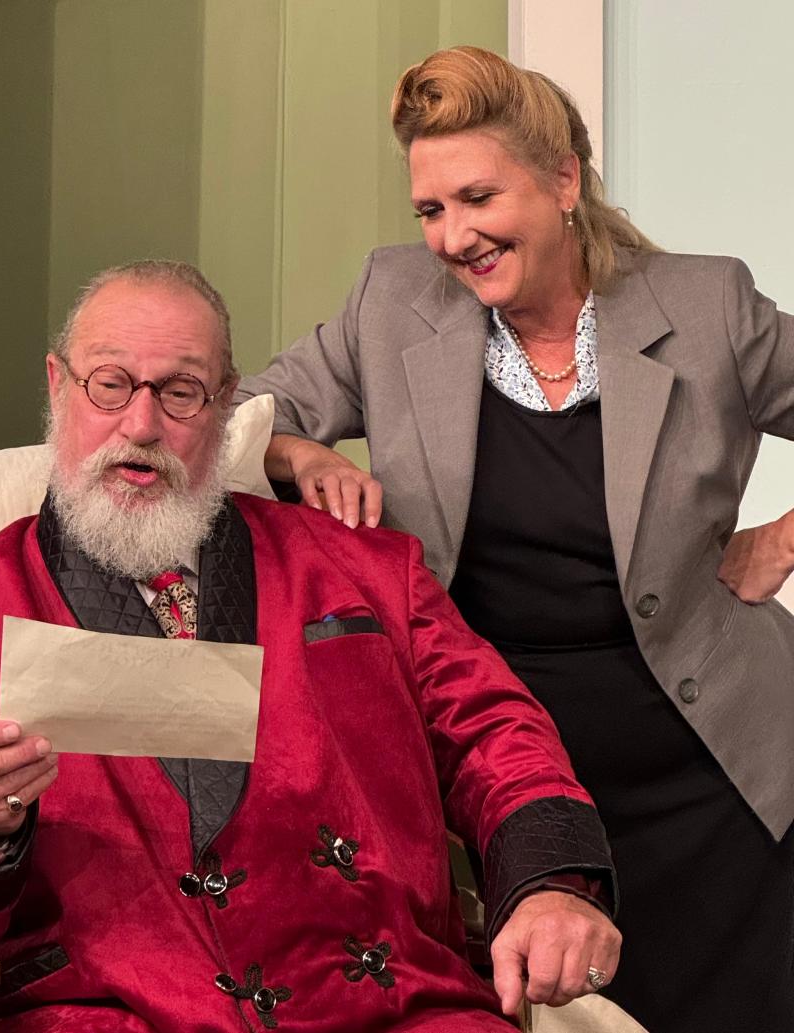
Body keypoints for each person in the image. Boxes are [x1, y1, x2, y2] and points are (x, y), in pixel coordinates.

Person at [0, 260, 621, 1033]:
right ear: (58, 386)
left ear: (223, 403)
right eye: (110, 384)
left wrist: (551, 884)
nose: (141, 426)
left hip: (393, 1005)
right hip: (113, 1012)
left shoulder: (367, 571)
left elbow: (496, 733)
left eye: (180, 391)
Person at [234, 45, 794, 1033]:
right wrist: (295, 454)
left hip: (711, 771)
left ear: (563, 180)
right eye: (430, 210)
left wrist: (789, 534)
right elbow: (233, 414)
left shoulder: (708, 307)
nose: (452, 237)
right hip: (500, 772)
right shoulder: (392, 301)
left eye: (477, 197)